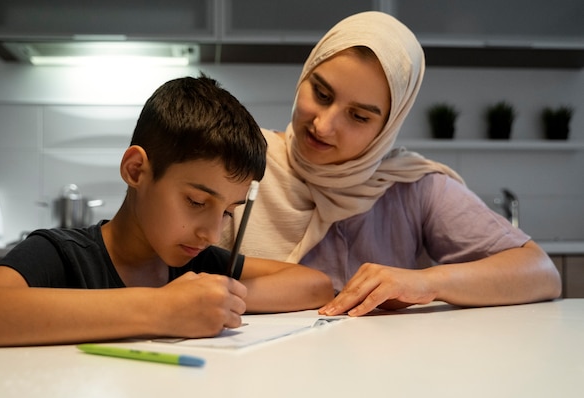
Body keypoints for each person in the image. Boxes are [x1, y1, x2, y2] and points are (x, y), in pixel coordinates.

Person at [220, 12, 561, 317]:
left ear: (387, 128)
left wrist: (428, 281)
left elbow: (541, 272)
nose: (323, 125)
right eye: (322, 95)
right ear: (304, 77)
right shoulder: (242, 160)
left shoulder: (411, 185)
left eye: (358, 116)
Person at [0, 75, 334, 349]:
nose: (210, 232)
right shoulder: (63, 256)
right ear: (136, 170)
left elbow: (314, 285)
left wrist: (212, 301)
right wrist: (159, 308)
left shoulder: (196, 266)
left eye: (227, 212)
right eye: (197, 202)